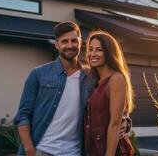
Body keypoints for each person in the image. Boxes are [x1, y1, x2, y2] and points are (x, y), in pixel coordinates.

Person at [14, 22, 131, 156]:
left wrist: (125, 122)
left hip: (75, 152)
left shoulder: (91, 77)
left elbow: (110, 105)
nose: (70, 45)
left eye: (74, 41)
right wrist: (29, 149)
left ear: (80, 42)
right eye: (64, 41)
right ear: (56, 44)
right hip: (42, 151)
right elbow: (23, 115)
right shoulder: (38, 74)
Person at [84, 31, 135, 156]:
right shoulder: (93, 79)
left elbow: (115, 124)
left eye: (99, 50)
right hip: (92, 148)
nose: (93, 54)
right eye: (90, 49)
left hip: (110, 150)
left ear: (109, 53)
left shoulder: (116, 79)